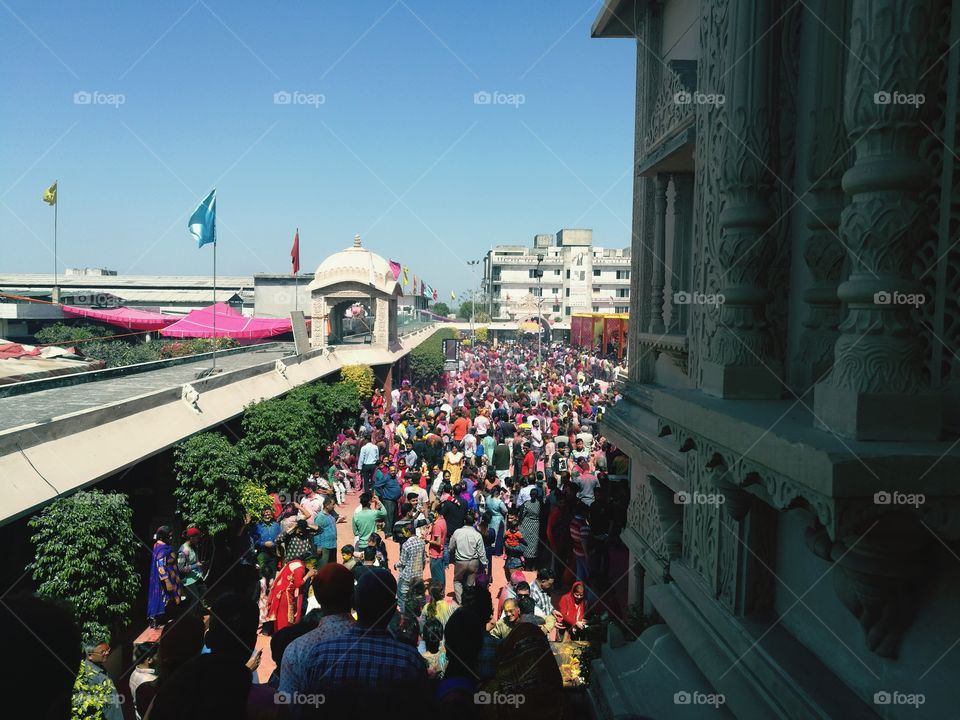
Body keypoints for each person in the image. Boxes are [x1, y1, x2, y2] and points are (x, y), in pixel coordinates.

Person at [283, 569, 428, 716]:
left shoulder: (319, 654)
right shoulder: (410, 660)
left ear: (354, 602)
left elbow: (296, 708)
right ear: (393, 609)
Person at [279, 563, 356, 696]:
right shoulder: (379, 642)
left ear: (318, 596)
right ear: (352, 594)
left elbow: (286, 703)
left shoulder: (297, 649)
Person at [266, 550, 316, 632]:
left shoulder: (293, 562)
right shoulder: (300, 567)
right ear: (307, 561)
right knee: (284, 618)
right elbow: (298, 584)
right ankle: (283, 637)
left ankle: (278, 635)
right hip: (285, 594)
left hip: (279, 592)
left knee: (279, 617)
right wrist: (308, 575)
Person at [448, 510, 488, 604]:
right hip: (473, 562)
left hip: (460, 561)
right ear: (474, 522)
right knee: (470, 584)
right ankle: (469, 602)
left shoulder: (457, 532)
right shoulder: (477, 534)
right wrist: (485, 564)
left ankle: (461, 602)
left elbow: (450, 547)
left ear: (464, 521)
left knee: (457, 581)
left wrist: (452, 557)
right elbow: (481, 552)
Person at [79, 638, 123, 720]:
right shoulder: (100, 679)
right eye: (102, 652)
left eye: (107, 650)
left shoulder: (84, 668)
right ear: (90, 655)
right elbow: (112, 711)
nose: (107, 653)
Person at [147, 526, 182, 627]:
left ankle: (161, 619)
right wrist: (167, 581)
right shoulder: (162, 549)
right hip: (164, 581)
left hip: (168, 578)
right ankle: (157, 620)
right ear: (163, 537)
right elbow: (160, 565)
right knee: (164, 599)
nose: (171, 538)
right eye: (169, 536)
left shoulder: (159, 546)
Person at [396, 518, 427, 609]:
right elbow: (423, 559)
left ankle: (403, 615)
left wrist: (395, 565)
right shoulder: (422, 542)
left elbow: (402, 562)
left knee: (402, 597)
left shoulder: (406, 545)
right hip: (418, 576)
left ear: (408, 532)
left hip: (407, 576)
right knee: (417, 596)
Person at [312, 496, 338, 565]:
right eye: (333, 504)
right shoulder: (320, 517)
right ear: (326, 505)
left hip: (333, 545)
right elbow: (316, 533)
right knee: (323, 567)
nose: (334, 506)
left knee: (332, 567)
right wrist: (319, 547)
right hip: (324, 546)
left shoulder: (331, 514)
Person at [426, 510, 447, 591]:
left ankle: (439, 594)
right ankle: (442, 591)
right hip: (440, 554)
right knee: (441, 574)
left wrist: (428, 541)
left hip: (435, 555)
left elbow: (438, 542)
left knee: (436, 578)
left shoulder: (437, 525)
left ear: (437, 513)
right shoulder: (443, 521)